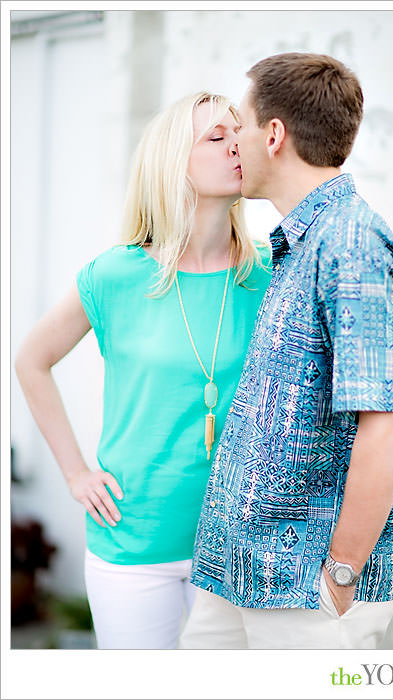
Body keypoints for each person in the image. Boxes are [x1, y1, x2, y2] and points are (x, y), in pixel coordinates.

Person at [14, 92, 272, 649]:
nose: (237, 145)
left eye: (239, 131)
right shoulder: (115, 275)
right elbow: (31, 362)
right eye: (216, 137)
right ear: (174, 161)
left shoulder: (270, 271)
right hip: (134, 547)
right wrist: (75, 473)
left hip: (237, 545)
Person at [179, 52, 393, 650]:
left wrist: (340, 574)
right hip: (235, 573)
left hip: (303, 591)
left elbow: (387, 425)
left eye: (242, 127)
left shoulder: (351, 241)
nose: (235, 143)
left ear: (275, 135)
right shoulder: (295, 244)